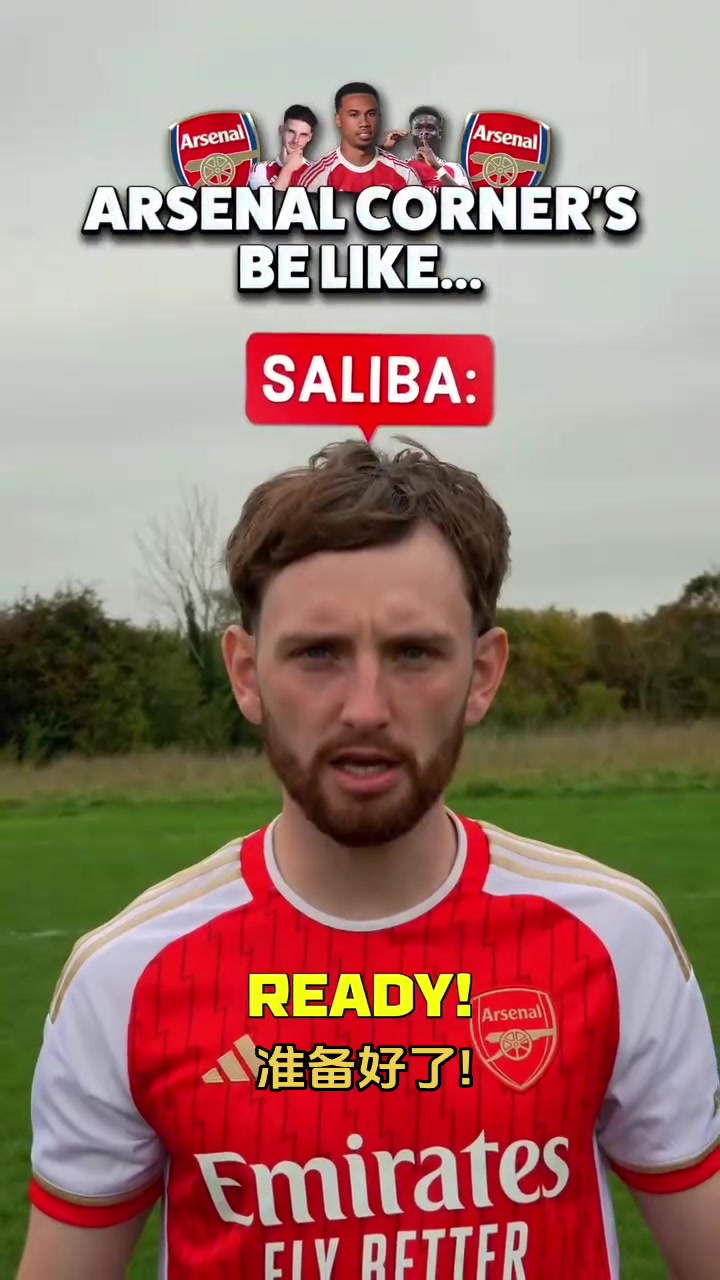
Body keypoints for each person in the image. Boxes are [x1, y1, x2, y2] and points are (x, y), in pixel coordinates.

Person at [18, 438, 720, 1279]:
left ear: (483, 674)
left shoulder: (614, 941)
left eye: (413, 652)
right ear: (246, 673)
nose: (364, 707)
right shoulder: (125, 978)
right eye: (317, 653)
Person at [299, 81, 421, 192]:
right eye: (354, 115)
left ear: (379, 117)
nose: (364, 123)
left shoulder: (405, 175)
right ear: (338, 119)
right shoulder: (317, 179)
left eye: (371, 114)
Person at [383, 104, 470, 191]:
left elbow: (465, 197)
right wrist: (384, 148)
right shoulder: (401, 167)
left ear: (439, 134)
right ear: (411, 133)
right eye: (418, 128)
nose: (424, 132)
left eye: (430, 128)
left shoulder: (453, 168)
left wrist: (437, 167)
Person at [249, 103, 317, 191]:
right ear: (281, 130)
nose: (296, 140)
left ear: (309, 137)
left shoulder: (318, 172)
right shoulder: (260, 169)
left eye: (303, 134)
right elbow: (268, 200)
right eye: (291, 132)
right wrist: (288, 169)